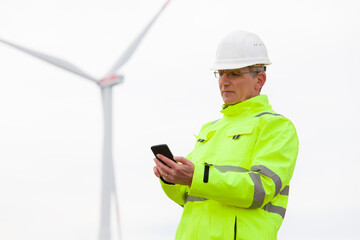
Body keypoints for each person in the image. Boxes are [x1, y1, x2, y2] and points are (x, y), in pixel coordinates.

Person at [153, 30, 299, 240]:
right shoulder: (210, 129)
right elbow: (189, 196)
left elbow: (260, 189)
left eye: (234, 74)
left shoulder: (276, 127)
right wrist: (171, 177)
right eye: (220, 73)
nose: (223, 81)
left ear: (259, 80)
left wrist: (196, 177)